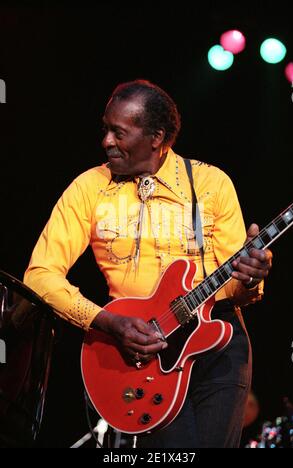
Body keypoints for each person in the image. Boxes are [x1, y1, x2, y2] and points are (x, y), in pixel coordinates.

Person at [23, 79, 273, 448]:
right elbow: (40, 275)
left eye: (118, 132)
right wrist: (106, 321)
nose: (106, 141)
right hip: (142, 352)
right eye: (105, 129)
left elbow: (236, 289)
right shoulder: (88, 188)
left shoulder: (210, 183)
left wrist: (250, 278)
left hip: (217, 344)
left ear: (156, 137)